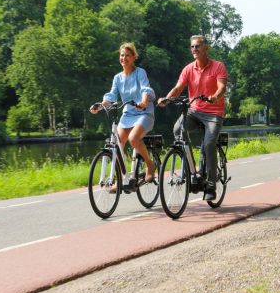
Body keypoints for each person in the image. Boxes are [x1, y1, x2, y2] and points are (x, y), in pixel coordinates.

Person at [157, 35, 228, 201]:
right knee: (177, 131)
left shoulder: (218, 66)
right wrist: (167, 99)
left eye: (197, 46)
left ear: (206, 48)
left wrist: (215, 96)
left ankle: (211, 185)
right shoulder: (188, 69)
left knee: (209, 144)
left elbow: (222, 87)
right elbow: (178, 87)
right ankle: (192, 169)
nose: (194, 49)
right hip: (194, 111)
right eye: (192, 47)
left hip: (213, 113)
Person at [90, 42, 156, 186]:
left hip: (143, 112)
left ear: (133, 57)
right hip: (128, 114)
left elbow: (146, 89)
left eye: (127, 55)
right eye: (121, 55)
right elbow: (112, 95)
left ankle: (150, 165)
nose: (124, 58)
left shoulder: (140, 72)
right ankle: (122, 178)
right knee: (117, 144)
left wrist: (144, 102)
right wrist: (100, 105)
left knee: (133, 139)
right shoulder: (117, 78)